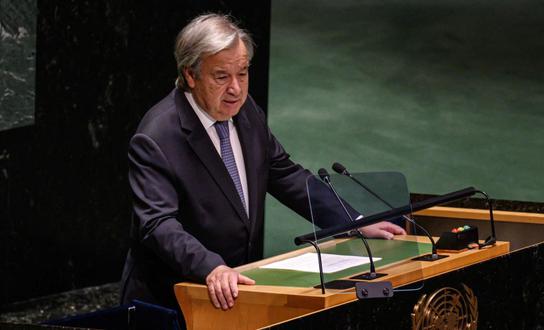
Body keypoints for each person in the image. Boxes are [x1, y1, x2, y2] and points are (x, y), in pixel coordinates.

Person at [120, 13, 406, 314]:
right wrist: (211, 268)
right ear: (191, 75)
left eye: (242, 73)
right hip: (175, 299)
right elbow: (158, 225)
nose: (236, 88)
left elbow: (285, 175)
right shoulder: (157, 137)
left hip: (239, 289)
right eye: (221, 76)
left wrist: (354, 223)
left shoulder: (245, 112)